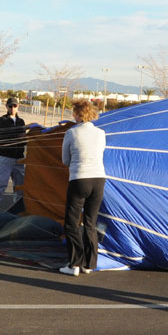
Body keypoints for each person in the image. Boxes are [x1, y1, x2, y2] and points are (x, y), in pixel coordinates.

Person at [59, 100, 106, 277]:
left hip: (80, 178)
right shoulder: (101, 133)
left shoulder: (71, 132)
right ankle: (89, 263)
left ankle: (75, 264)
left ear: (78, 114)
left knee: (72, 223)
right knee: (90, 223)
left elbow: (65, 160)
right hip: (99, 179)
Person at [0, 97, 27, 213]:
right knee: (0, 185)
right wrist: (23, 133)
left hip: (19, 159)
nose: (12, 108)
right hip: (6, 158)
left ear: (18, 107)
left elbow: (23, 140)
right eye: (10, 106)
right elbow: (10, 134)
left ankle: (19, 211)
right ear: (6, 107)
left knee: (20, 187)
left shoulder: (21, 121)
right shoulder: (2, 120)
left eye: (15, 106)